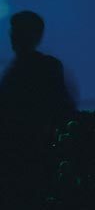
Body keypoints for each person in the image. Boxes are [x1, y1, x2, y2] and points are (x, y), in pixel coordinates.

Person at [0, 11, 76, 207]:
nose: (12, 36)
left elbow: (63, 109)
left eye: (18, 32)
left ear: (33, 35)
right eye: (13, 31)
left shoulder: (43, 68)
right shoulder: (26, 68)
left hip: (26, 160)